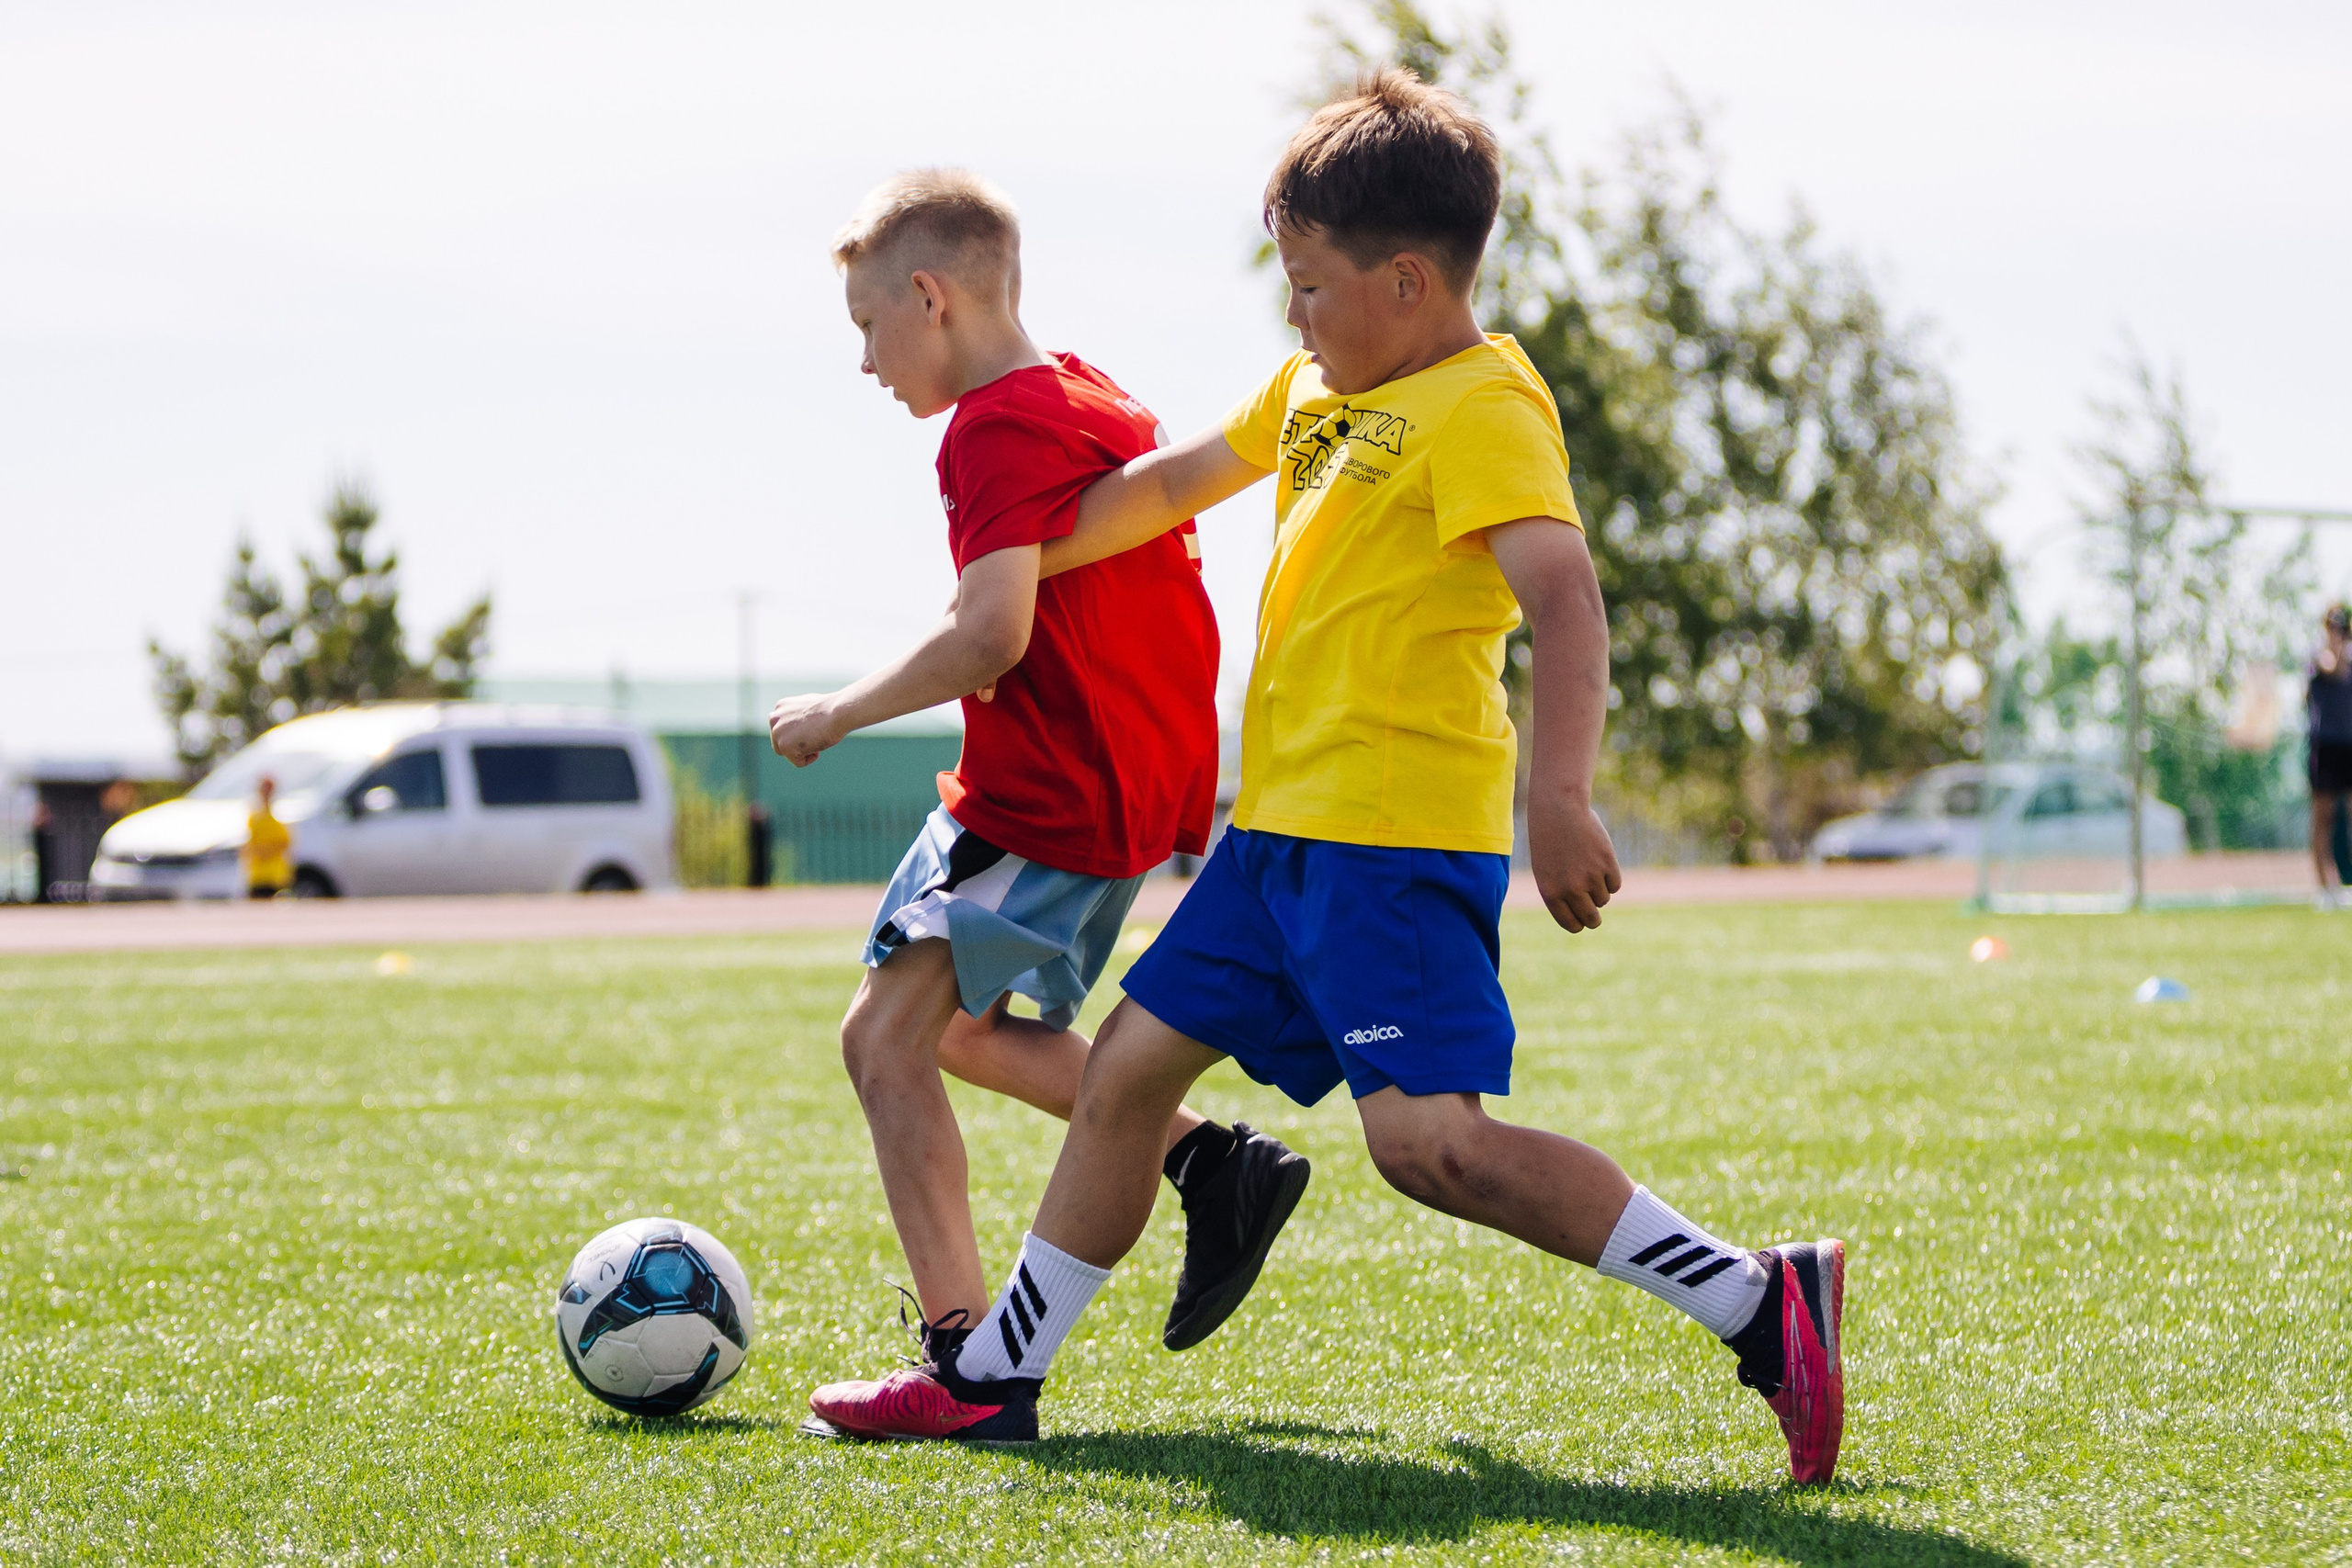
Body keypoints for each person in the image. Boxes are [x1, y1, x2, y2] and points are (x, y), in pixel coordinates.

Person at [806, 74, 1848, 1484]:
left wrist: (1559, 797)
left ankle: (1757, 1297)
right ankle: (995, 1378)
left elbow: (1565, 596)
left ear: (1408, 281)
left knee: (1432, 1149)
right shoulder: (1311, 387)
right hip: (1272, 840)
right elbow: (1163, 488)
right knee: (1125, 1074)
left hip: (1390, 843)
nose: (1295, 316)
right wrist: (1014, 565)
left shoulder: (1486, 404)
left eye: (1310, 287)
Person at [772, 171, 1311, 1442]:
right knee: (950, 1034)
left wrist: (838, 712)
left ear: (930, 296)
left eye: (867, 326)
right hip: (1106, 785)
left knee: (882, 1042)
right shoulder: (1087, 390)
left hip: (1047, 790)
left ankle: (965, 1365)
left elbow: (991, 636)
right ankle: (1209, 1161)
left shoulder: (990, 426)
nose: (865, 362)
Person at [2307, 604, 2352, 908]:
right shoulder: (2317, 657)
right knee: (2323, 819)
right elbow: (2332, 668)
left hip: (2350, 746)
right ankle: (2327, 889)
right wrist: (2335, 644)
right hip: (2325, 747)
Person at [243, 775, 292, 899]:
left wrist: (266, 851)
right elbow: (248, 844)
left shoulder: (280, 815)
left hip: (274, 875)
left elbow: (285, 843)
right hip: (257, 875)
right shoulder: (254, 817)